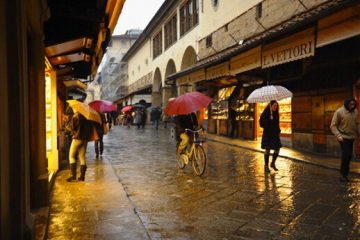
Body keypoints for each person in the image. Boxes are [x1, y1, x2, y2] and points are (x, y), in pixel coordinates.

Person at [330, 97, 359, 182]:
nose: (352, 106)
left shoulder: (355, 111)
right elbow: (333, 125)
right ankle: (343, 175)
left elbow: (356, 124)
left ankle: (345, 174)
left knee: (349, 156)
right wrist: (338, 135)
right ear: (347, 104)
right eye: (350, 104)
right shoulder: (339, 112)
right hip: (343, 137)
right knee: (346, 155)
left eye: (353, 104)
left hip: (352, 137)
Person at [67, 112, 93, 182]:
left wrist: (67, 124)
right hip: (85, 139)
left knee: (71, 156)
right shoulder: (88, 117)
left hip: (77, 138)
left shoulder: (76, 116)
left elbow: (72, 128)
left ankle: (73, 176)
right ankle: (82, 176)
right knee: (82, 157)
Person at [259, 100, 282, 173]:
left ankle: (272, 163)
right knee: (267, 149)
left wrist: (278, 130)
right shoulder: (266, 113)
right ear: (270, 106)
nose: (275, 107)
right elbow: (261, 123)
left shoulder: (276, 114)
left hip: (275, 133)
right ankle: (266, 166)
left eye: (276, 106)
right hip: (268, 134)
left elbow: (277, 123)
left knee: (277, 149)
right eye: (274, 105)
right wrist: (269, 120)